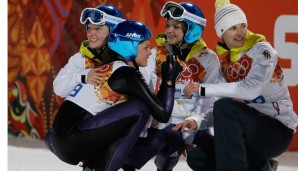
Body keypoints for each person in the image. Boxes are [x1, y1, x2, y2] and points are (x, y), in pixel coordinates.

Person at [45, 5, 182, 171]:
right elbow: (159, 111)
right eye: (146, 48)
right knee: (140, 109)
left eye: (98, 28)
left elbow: (153, 115)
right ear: (130, 45)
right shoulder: (89, 60)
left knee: (153, 134)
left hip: (82, 133)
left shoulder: (124, 64)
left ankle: (100, 163)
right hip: (76, 136)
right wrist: (169, 80)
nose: (91, 34)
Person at [179, 0, 298, 170]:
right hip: (252, 132)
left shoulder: (262, 50)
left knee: (226, 107)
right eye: (232, 28)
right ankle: (261, 166)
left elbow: (251, 89)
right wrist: (197, 120)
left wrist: (203, 88)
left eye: (242, 25)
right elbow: (216, 108)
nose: (240, 32)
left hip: (277, 131)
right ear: (222, 32)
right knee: (197, 159)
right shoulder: (225, 65)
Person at [122, 2, 219, 171]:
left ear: (191, 29)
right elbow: (147, 90)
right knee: (170, 149)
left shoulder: (208, 58)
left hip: (196, 122)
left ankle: (259, 165)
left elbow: (209, 102)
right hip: (167, 122)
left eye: (176, 26)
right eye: (168, 25)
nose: (169, 30)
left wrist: (189, 138)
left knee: (216, 148)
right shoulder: (156, 54)